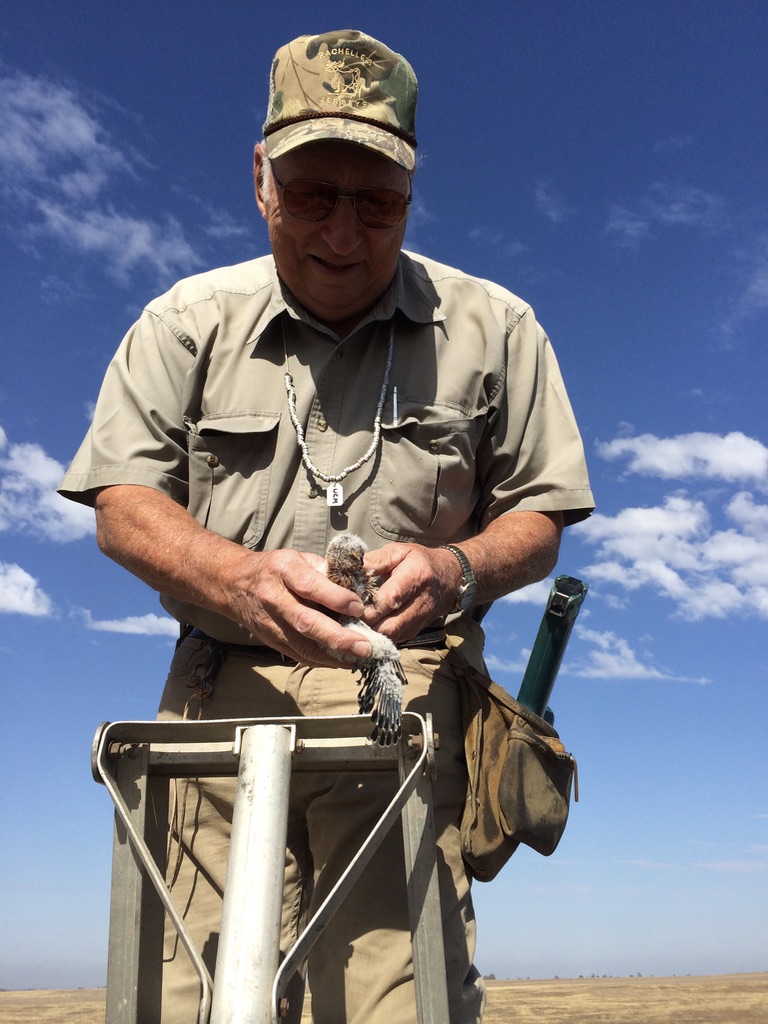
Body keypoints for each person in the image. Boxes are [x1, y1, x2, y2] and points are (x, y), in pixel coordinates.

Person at [60, 29, 594, 1024]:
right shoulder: (185, 323)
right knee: (188, 999)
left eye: (376, 202)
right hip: (215, 704)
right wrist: (234, 580)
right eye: (312, 195)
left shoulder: (495, 328)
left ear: (411, 196)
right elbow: (122, 506)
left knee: (399, 1000)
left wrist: (456, 568)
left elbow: (543, 515)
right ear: (261, 178)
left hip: (409, 709)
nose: (343, 234)